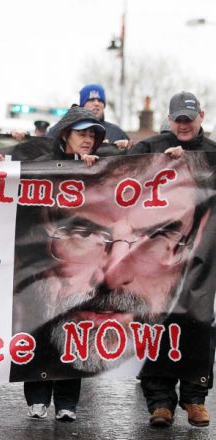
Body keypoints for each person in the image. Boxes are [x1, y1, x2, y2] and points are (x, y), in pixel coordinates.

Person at [131, 91, 216, 428]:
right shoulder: (150, 147)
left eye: (189, 119)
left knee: (198, 325)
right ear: (169, 120)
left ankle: (195, 398)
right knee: (155, 324)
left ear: (201, 118)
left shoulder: (212, 152)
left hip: (201, 258)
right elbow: (112, 166)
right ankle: (159, 403)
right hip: (155, 258)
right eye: (178, 119)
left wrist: (191, 162)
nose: (183, 125)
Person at [22, 106, 105, 422]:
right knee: (39, 326)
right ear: (65, 135)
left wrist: (97, 169)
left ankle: (67, 401)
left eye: (93, 135)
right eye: (82, 133)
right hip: (39, 264)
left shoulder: (98, 166)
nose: (88, 140)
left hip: (80, 267)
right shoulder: (40, 166)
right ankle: (37, 397)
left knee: (74, 331)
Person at [47, 83, 131, 148]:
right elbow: (47, 144)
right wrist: (68, 119)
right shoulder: (70, 128)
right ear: (82, 105)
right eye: (91, 100)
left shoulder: (117, 132)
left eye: (100, 100)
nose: (96, 103)